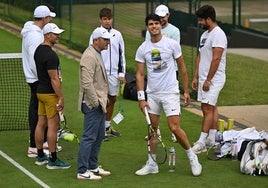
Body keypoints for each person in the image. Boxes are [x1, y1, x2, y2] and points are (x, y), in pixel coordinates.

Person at [135, 13, 202, 176]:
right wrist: (141, 98)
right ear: (147, 27)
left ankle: (192, 157)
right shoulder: (143, 48)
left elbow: (183, 68)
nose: (154, 26)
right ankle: (152, 164)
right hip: (152, 94)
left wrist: (186, 91)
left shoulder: (172, 44)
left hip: (170, 92)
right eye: (150, 24)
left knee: (174, 127)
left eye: (156, 23)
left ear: (161, 25)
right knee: (152, 129)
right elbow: (139, 74)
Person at [21, 5, 60, 157]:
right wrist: (45, 78)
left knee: (39, 112)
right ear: (44, 18)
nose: (50, 19)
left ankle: (43, 142)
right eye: (49, 17)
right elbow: (34, 61)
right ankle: (34, 145)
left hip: (37, 79)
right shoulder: (35, 36)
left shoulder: (33, 32)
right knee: (38, 113)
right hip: (38, 80)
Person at [191, 5, 227, 154]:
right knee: (212, 107)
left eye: (201, 20)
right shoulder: (205, 34)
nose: (199, 22)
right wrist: (196, 76)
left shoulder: (218, 34)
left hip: (214, 79)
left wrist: (208, 80)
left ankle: (201, 142)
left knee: (206, 108)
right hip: (204, 77)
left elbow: (216, 58)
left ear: (209, 19)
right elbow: (200, 56)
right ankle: (211, 139)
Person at [34, 23, 70, 169]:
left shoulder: (38, 50)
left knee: (40, 124)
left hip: (40, 93)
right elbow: (54, 79)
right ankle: (53, 160)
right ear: (48, 35)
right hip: (49, 95)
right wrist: (60, 97)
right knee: (53, 127)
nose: (58, 36)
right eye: (55, 34)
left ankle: (40, 156)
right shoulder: (51, 55)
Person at [77, 27, 112, 180]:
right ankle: (82, 170)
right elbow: (86, 83)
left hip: (99, 103)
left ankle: (92, 166)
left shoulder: (96, 53)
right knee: (89, 137)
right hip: (93, 104)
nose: (108, 42)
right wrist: (96, 102)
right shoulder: (89, 56)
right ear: (96, 40)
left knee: (98, 136)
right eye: (105, 39)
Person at [145, 4, 181, 143]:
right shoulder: (151, 29)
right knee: (154, 101)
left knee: (172, 101)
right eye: (159, 17)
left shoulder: (174, 31)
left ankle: (175, 130)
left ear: (168, 15)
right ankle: (156, 130)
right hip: (155, 70)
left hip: (171, 71)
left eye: (163, 16)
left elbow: (172, 51)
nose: (161, 19)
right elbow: (148, 48)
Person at [89, 8, 126, 140]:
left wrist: (122, 73)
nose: (107, 21)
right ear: (100, 20)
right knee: (100, 100)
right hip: (99, 74)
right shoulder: (96, 33)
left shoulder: (118, 34)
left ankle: (107, 126)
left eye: (109, 18)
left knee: (112, 99)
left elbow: (122, 54)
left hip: (114, 73)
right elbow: (91, 53)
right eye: (104, 19)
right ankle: (99, 129)